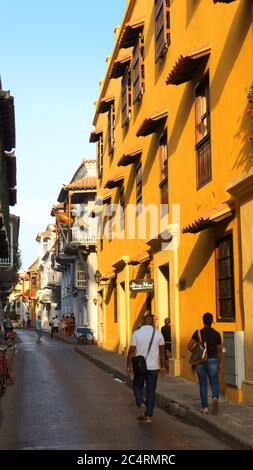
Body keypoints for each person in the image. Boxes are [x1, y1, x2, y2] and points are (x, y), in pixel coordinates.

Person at [127, 313, 166, 423]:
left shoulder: (137, 333)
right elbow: (162, 353)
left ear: (143, 322)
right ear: (153, 322)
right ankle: (149, 416)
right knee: (151, 391)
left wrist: (128, 366)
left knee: (137, 387)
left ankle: (141, 403)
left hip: (140, 367)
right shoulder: (158, 334)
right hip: (153, 368)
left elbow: (131, 351)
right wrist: (163, 366)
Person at [188, 312, 222, 415]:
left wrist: (197, 353)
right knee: (214, 382)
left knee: (203, 384)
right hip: (213, 360)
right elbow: (219, 351)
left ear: (203, 321)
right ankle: (215, 398)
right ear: (212, 322)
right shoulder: (217, 334)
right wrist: (219, 363)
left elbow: (189, 346)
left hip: (200, 362)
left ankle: (205, 408)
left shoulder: (198, 333)